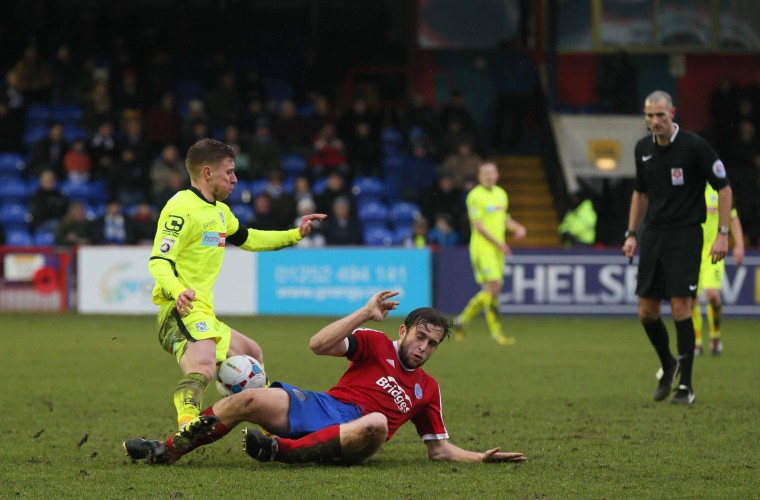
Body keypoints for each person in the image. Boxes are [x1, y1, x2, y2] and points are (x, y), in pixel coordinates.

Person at [122, 290, 527, 466]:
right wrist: (364, 314)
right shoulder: (374, 342)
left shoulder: (428, 390)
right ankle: (168, 449)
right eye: (420, 336)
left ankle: (278, 450)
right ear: (403, 331)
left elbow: (438, 450)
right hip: (322, 407)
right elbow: (318, 344)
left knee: (378, 423)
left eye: (432, 343)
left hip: (357, 435)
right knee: (249, 400)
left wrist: (481, 458)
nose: (423, 347)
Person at [146, 138, 325, 432]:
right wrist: (178, 292)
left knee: (252, 353)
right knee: (202, 364)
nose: (235, 179)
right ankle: (188, 425)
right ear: (207, 173)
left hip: (202, 312)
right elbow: (159, 261)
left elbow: (250, 238)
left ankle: (273, 429)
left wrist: (296, 234)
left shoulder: (220, 212)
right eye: (229, 172)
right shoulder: (180, 207)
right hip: (178, 309)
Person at [622, 91, 732, 405]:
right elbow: (640, 193)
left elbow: (724, 189)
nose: (654, 121)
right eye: (649, 116)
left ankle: (686, 385)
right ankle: (669, 363)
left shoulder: (695, 147)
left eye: (660, 115)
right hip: (653, 236)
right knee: (646, 312)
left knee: (681, 308)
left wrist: (722, 234)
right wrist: (632, 234)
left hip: (685, 235)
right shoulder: (642, 149)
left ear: (673, 112)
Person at [453, 162, 526, 345]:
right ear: (479, 176)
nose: (490, 176)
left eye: (492, 172)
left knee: (491, 291)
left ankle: (461, 321)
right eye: (486, 173)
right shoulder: (474, 196)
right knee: (494, 288)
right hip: (482, 248)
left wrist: (517, 227)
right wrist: (500, 244)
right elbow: (478, 226)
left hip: (496, 249)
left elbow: (504, 219)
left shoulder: (501, 194)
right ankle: (496, 333)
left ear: (498, 174)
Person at [691, 185, 745, 356]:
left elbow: (732, 217)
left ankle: (715, 335)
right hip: (691, 253)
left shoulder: (717, 188)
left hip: (713, 253)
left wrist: (739, 245)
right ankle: (697, 342)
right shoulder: (689, 188)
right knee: (691, 300)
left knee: (713, 296)